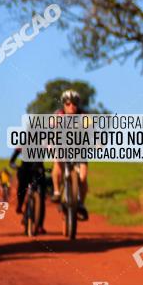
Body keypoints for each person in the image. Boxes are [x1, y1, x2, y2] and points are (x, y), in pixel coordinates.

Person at [49, 89, 89, 221]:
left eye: (74, 103)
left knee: (83, 177)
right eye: (68, 103)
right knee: (57, 164)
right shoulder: (58, 115)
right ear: (63, 104)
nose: (71, 106)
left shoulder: (84, 116)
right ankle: (56, 191)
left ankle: (81, 204)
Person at [9, 147, 48, 234]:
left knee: (41, 195)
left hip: (38, 172)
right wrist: (16, 167)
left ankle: (40, 225)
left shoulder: (43, 145)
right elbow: (12, 161)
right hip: (25, 171)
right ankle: (20, 204)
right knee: (22, 186)